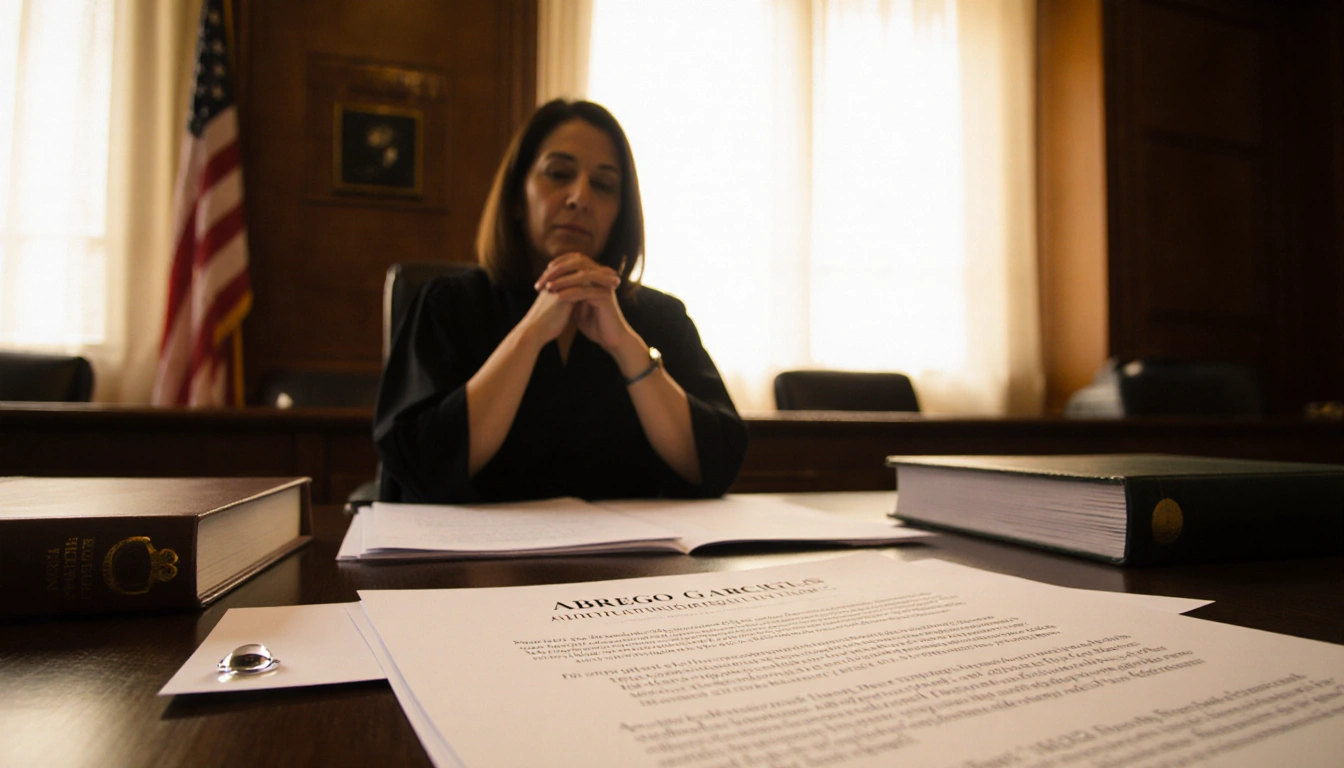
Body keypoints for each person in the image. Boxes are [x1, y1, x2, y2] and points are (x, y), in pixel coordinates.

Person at [374, 99, 747, 503]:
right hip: (471, 545)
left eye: (603, 185)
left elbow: (717, 466)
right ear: (517, 197)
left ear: (620, 213)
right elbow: (418, 466)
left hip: (629, 544)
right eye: (559, 174)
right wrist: (530, 335)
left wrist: (626, 347)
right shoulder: (446, 305)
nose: (580, 197)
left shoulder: (661, 317)